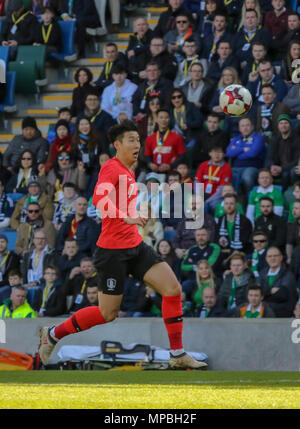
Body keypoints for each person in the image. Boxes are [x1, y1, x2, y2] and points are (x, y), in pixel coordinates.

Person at [39, 119, 206, 370]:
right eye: (131, 140)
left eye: (138, 140)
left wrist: (133, 214)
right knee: (107, 314)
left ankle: (177, 353)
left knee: (172, 289)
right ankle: (52, 334)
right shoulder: (112, 167)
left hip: (135, 246)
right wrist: (126, 216)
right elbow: (98, 198)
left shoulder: (128, 171)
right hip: (111, 252)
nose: (137, 144)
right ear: (117, 145)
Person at [226, 116, 265, 194]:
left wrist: (237, 152)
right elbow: (228, 153)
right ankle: (232, 200)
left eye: (247, 125)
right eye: (242, 126)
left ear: (252, 127)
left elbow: (253, 153)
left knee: (246, 178)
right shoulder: (236, 139)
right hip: (235, 167)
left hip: (252, 167)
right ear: (239, 128)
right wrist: (244, 149)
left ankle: (249, 201)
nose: (245, 128)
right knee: (227, 177)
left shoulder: (258, 137)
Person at [258, 246, 298, 317]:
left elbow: (282, 295)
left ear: (281, 258)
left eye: (275, 256)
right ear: (266, 259)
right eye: (270, 256)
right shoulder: (262, 273)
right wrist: (270, 291)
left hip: (282, 312)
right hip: (264, 311)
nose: (272, 258)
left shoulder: (288, 274)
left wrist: (265, 294)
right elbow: (257, 293)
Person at [145, 109, 186, 174]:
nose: (164, 120)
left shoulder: (177, 137)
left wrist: (170, 166)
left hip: (172, 174)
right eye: (161, 117)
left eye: (166, 117)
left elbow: (182, 156)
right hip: (155, 173)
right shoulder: (149, 138)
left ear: (169, 119)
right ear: (156, 119)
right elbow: (147, 156)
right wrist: (150, 164)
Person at [266, 114, 300, 189]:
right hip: (278, 168)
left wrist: (282, 168)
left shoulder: (296, 140)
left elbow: (296, 160)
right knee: (265, 173)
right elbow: (269, 157)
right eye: (281, 123)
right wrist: (272, 166)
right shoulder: (275, 139)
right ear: (278, 126)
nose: (283, 125)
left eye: (286, 123)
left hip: (290, 168)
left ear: (290, 125)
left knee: (287, 174)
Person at [215, 193, 253, 258]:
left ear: (236, 205)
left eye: (231, 203)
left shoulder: (245, 221)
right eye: (226, 203)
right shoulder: (220, 220)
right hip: (225, 253)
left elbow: (246, 242)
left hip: (241, 253)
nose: (228, 206)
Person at [286, 199, 300, 264]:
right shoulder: (292, 226)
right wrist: (289, 258)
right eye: (293, 208)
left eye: (296, 208)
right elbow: (289, 243)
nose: (293, 210)